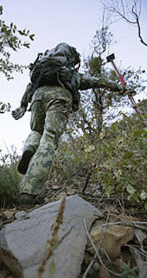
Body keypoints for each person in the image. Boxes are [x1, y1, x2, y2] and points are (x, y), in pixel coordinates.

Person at [12, 42, 131, 208]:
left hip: (38, 97)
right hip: (60, 98)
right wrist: (119, 88)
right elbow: (98, 81)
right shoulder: (70, 73)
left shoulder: (41, 69)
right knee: (50, 137)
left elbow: (30, 86)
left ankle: (30, 148)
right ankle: (28, 192)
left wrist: (23, 105)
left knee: (36, 131)